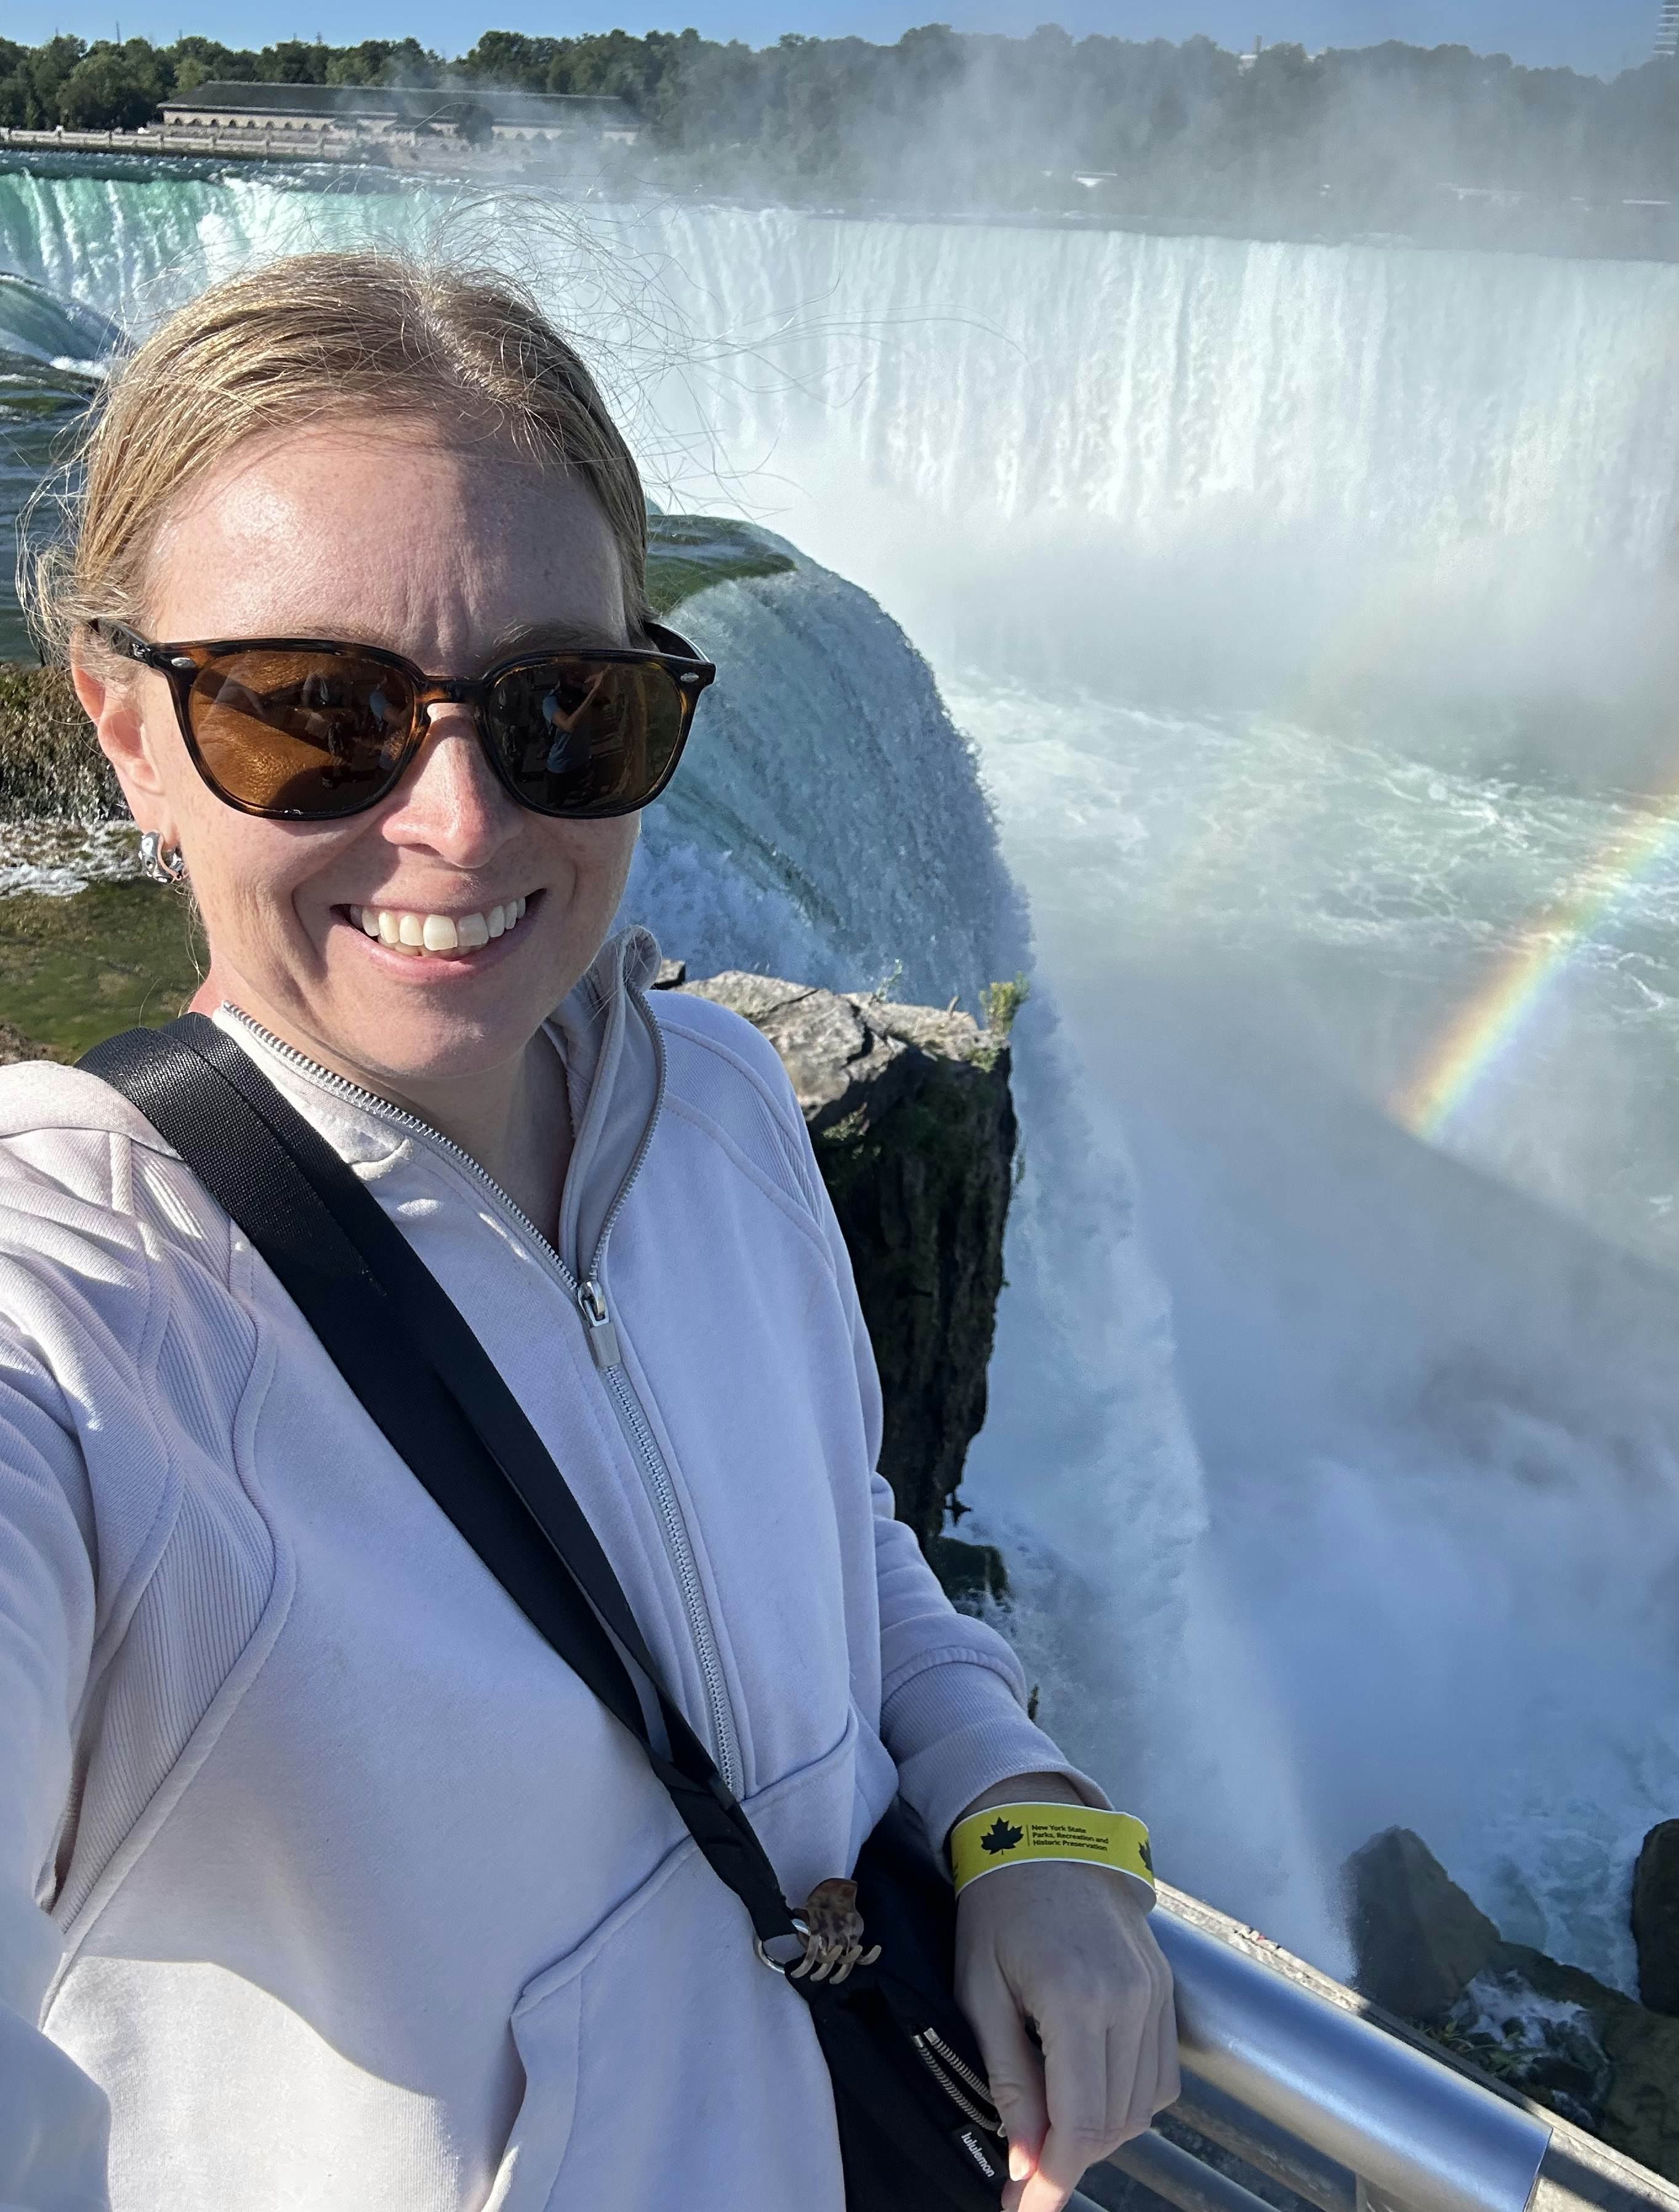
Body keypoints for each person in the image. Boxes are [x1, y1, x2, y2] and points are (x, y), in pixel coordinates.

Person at [0, 253, 1177, 2211]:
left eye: (564, 707)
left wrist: (1022, 1808)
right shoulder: (81, 1305)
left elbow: (847, 1535)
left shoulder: (714, 1103)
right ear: (128, 732)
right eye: (316, 712)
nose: (463, 823)